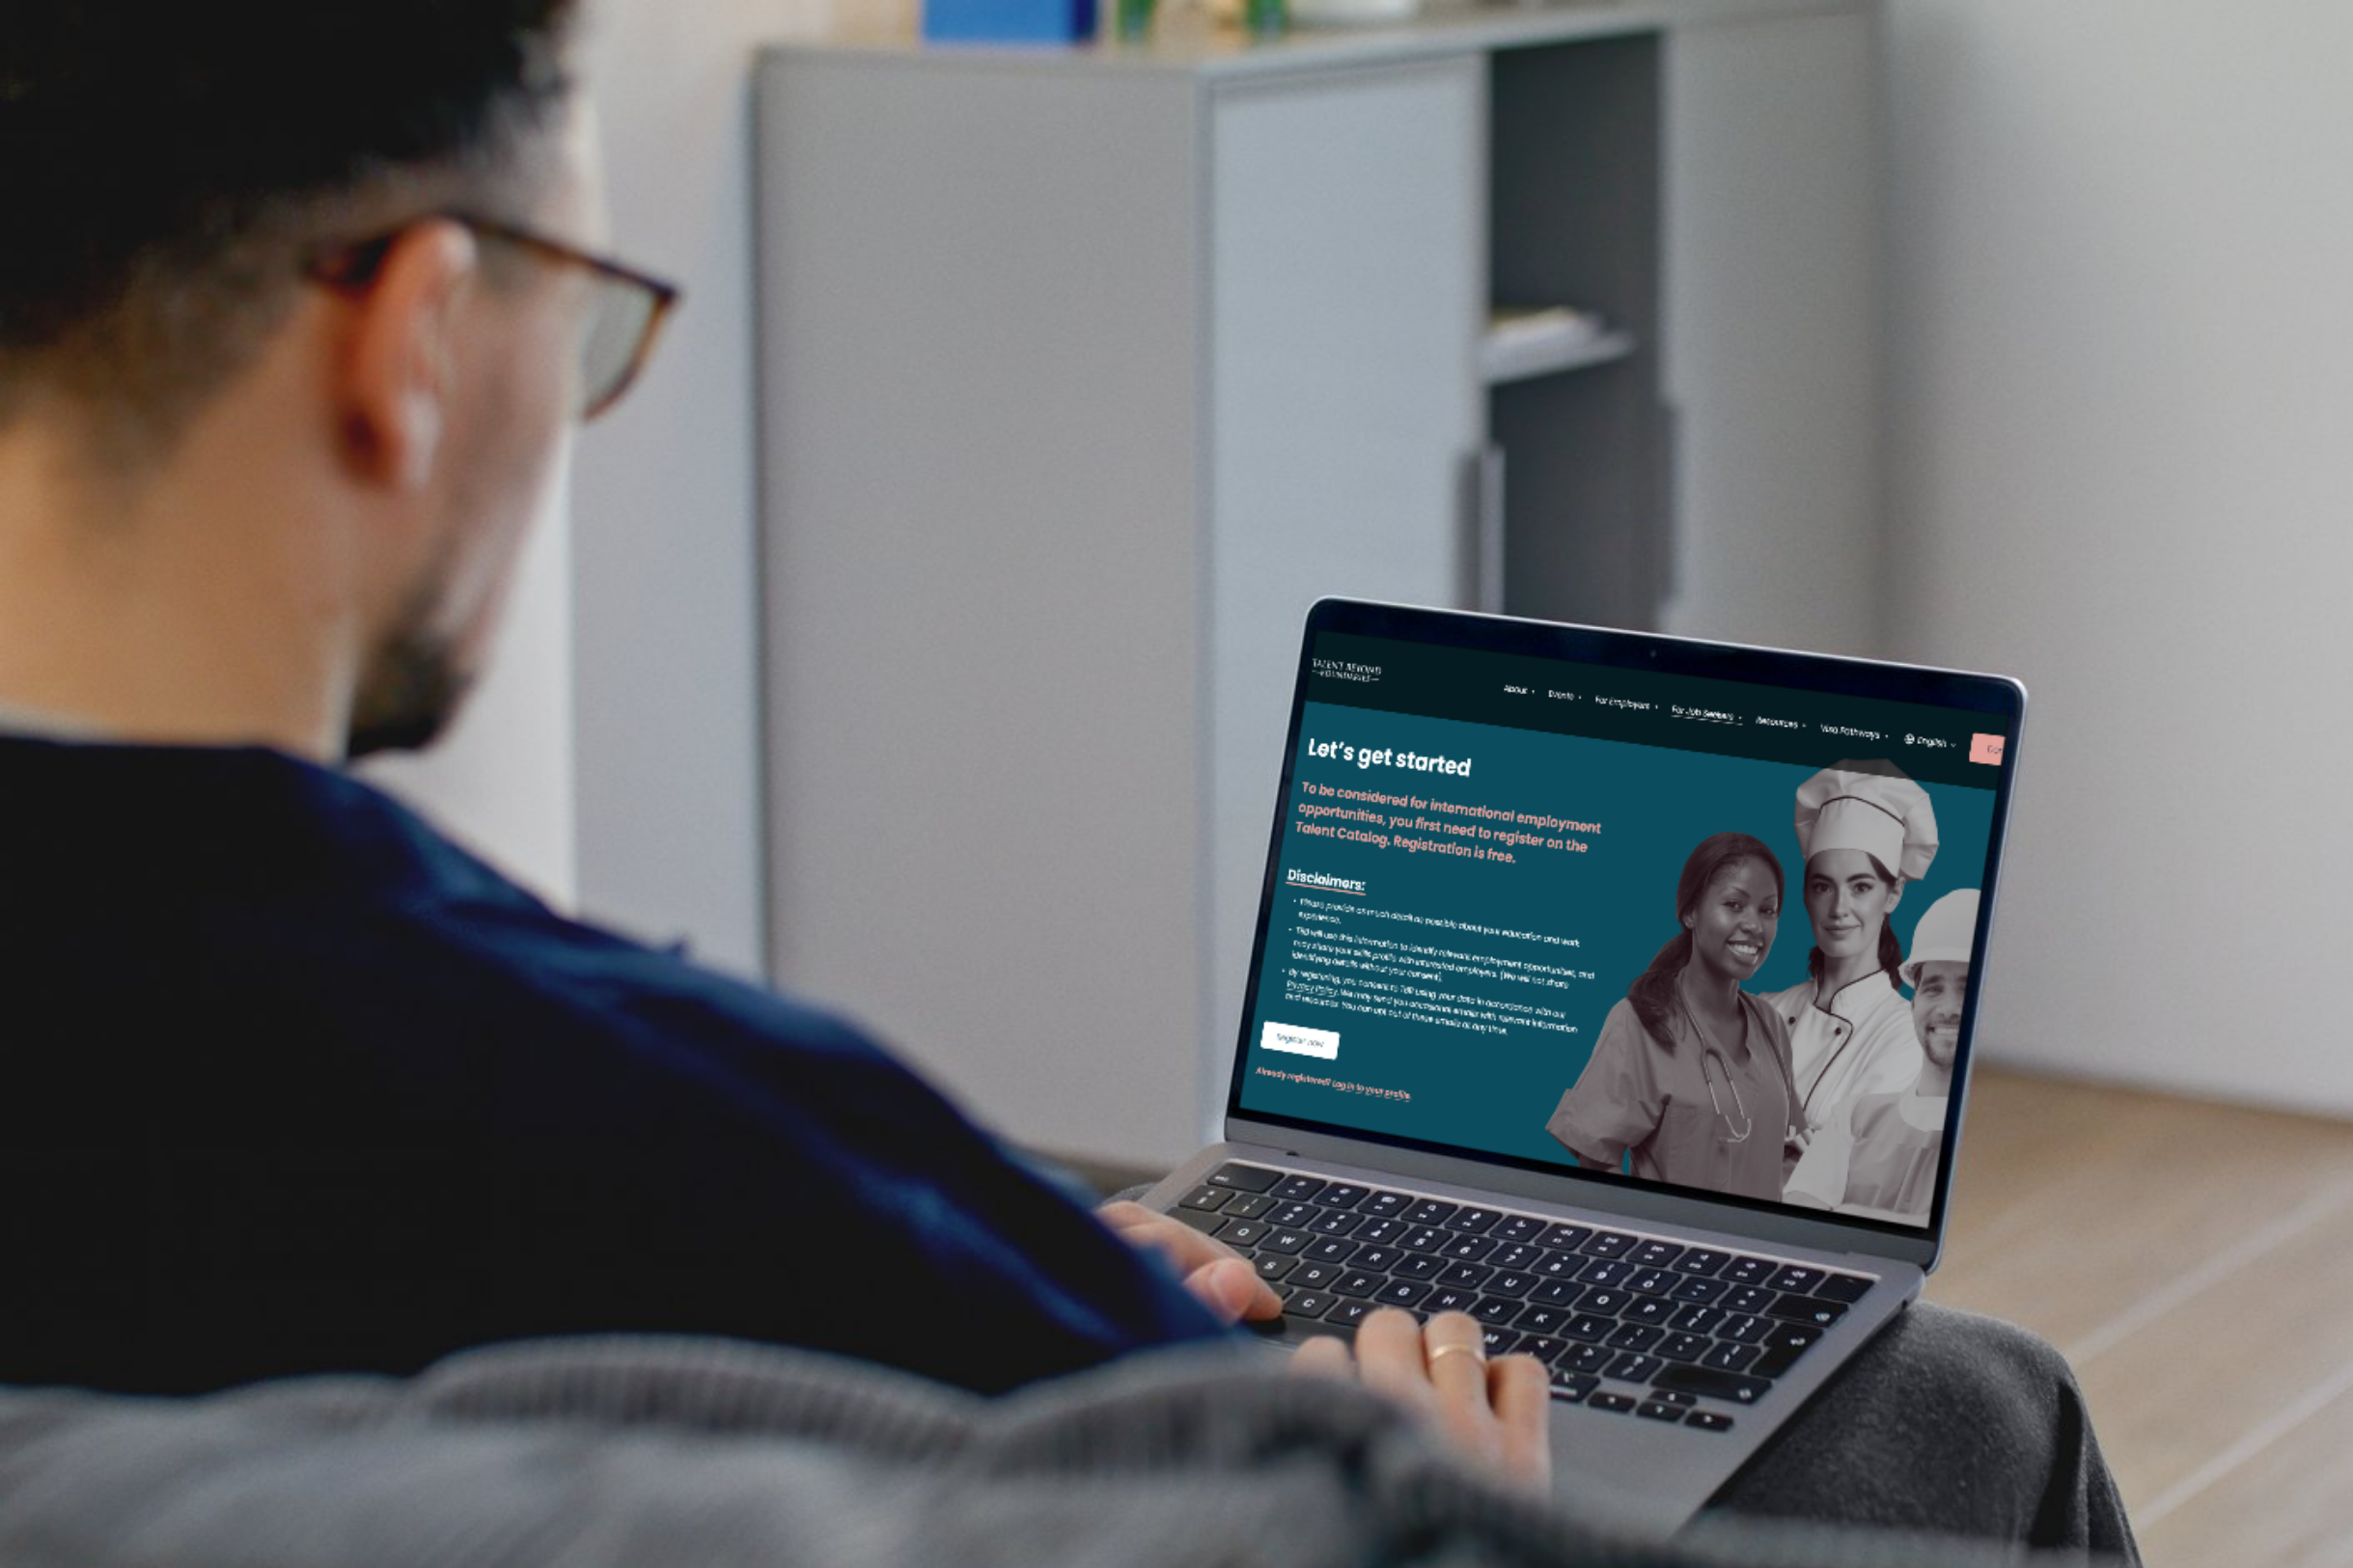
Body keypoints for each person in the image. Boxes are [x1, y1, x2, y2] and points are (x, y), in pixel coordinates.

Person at [0, 4, 2139, 1555]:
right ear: (414, 342)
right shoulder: (646, 1115)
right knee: (1982, 1408)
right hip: (1249, 1437)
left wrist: (1011, 1232)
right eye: (583, 320)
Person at [1545, 834, 1799, 1202]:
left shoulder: (1772, 1025)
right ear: (1690, 912)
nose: (1755, 926)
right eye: (1733, 904)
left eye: (1768, 910)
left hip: (1763, 1250)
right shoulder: (1641, 1022)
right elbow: (1596, 1163)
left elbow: (1784, 1147)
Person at [1760, 762, 1939, 1142]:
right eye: (1823, 887)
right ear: (1806, 896)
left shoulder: (1907, 1033)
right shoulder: (1765, 1009)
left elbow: (1861, 1163)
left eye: (1860, 887)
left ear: (1893, 894)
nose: (1839, 908)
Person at [1786, 889, 1977, 1221]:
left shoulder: (1983, 1136)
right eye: (1933, 988)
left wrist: (1843, 1208)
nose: (1948, 1008)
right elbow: (1797, 1223)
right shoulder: (1854, 1116)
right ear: (1913, 1003)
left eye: (1967, 989)